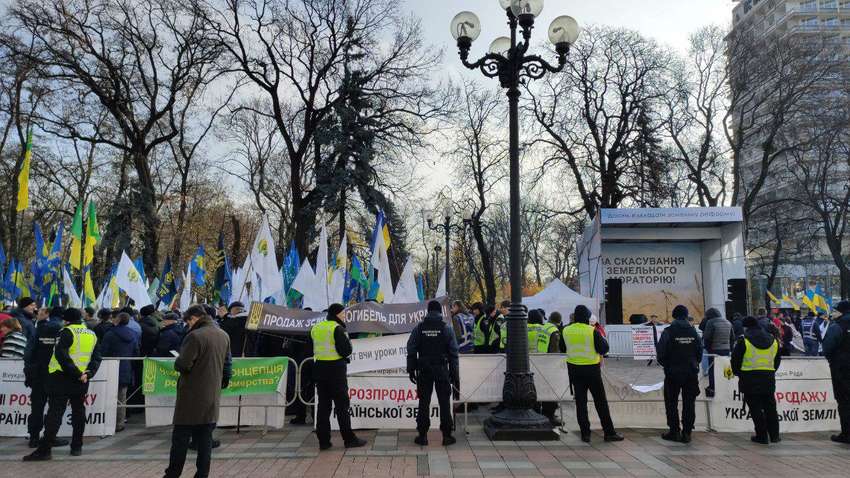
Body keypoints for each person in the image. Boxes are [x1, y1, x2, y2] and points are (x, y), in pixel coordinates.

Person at [23, 308, 102, 460]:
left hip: (61, 377)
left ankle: (45, 450)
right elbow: (97, 357)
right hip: (81, 380)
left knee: (55, 413)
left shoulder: (65, 332)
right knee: (79, 412)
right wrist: (88, 373)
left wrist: (77, 373)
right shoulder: (91, 334)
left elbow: (61, 355)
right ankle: (77, 446)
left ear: (66, 320)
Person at [164, 305, 232, 478]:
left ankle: (172, 474)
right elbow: (227, 365)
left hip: (191, 395)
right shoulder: (223, 335)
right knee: (205, 440)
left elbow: (183, 364)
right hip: (211, 395)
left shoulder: (194, 336)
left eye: (188, 322)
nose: (188, 325)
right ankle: (202, 474)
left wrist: (179, 360)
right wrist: (222, 381)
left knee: (180, 439)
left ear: (193, 318)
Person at [310, 303, 367, 451]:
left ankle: (324, 441)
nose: (345, 316)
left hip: (320, 370)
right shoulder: (337, 328)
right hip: (335, 371)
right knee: (342, 407)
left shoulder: (316, 328)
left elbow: (313, 346)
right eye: (343, 313)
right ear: (336, 314)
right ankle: (349, 439)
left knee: (323, 406)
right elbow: (346, 350)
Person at [563, 305, 623, 443]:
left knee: (580, 403)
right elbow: (604, 349)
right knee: (600, 402)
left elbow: (562, 347)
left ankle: (585, 434)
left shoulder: (566, 330)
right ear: (586, 317)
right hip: (592, 370)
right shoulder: (592, 331)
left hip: (574, 370)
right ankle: (609, 432)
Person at [407, 300, 459, 446]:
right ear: (440, 312)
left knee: (423, 402)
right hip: (442, 369)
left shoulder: (419, 328)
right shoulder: (446, 328)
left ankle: (422, 436)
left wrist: (411, 368)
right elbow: (454, 352)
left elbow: (411, 348)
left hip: (424, 370)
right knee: (444, 403)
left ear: (428, 311)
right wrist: (454, 373)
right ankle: (447, 436)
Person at [731, 316, 782, 445]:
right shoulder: (773, 340)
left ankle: (762, 436)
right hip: (768, 377)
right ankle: (775, 435)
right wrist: (770, 370)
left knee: (755, 408)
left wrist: (739, 373)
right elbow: (777, 360)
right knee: (770, 407)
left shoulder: (744, 340)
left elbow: (735, 360)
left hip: (749, 378)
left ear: (746, 327)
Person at [656, 305, 702, 443]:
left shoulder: (668, 331)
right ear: (687, 316)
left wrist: (668, 366)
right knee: (689, 403)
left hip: (673, 373)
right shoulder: (694, 332)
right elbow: (699, 353)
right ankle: (687, 432)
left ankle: (674, 431)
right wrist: (693, 363)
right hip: (691, 373)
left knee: (671, 403)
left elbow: (661, 353)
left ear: (674, 316)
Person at [22, 306, 66, 449]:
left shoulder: (39, 329)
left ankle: (34, 438)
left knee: (37, 407)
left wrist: (29, 371)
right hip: (56, 375)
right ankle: (49, 438)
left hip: (38, 374)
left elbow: (28, 352)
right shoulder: (63, 330)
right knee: (55, 408)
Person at [99, 312, 139, 433]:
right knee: (122, 397)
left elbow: (103, 351)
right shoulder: (133, 334)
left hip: (110, 367)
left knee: (107, 396)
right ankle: (119, 423)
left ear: (118, 320)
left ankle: (108, 422)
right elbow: (136, 352)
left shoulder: (110, 334)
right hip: (126, 367)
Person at [822, 300, 850, 443]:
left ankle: (847, 434)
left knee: (844, 401)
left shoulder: (837, 326)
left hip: (842, 368)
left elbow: (827, 347)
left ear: (841, 311)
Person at [702, 308, 735, 397]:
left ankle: (713, 388)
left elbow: (707, 337)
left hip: (714, 350)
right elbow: (732, 337)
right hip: (726, 350)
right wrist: (729, 348)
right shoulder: (728, 322)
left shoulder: (711, 322)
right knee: (726, 369)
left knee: (713, 370)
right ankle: (728, 387)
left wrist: (709, 349)